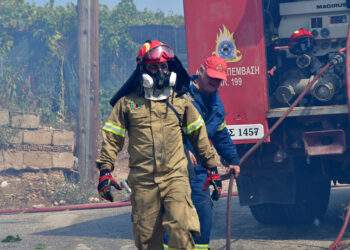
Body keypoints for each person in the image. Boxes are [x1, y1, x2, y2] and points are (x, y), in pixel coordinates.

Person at [96, 40, 221, 250]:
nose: (160, 72)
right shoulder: (127, 104)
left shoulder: (181, 101)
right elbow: (112, 138)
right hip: (143, 181)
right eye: (154, 67)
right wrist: (105, 171)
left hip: (175, 177)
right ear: (143, 69)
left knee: (182, 228)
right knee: (147, 241)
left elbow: (198, 135)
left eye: (164, 66)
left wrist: (212, 168)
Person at [164, 55, 241, 250]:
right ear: (200, 71)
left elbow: (221, 133)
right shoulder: (179, 95)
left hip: (200, 170)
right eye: (211, 77)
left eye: (219, 79)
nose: (215, 82)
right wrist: (182, 148)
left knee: (203, 211)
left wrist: (232, 159)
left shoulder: (216, 104)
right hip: (173, 166)